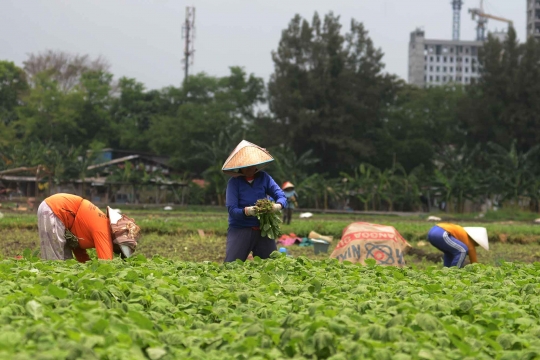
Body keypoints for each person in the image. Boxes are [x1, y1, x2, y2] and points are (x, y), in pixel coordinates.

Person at [222, 140, 287, 262]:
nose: (249, 168)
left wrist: (277, 206)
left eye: (251, 164)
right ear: (240, 166)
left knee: (271, 264)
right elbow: (232, 209)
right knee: (231, 265)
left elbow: (281, 196)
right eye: (245, 165)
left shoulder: (264, 177)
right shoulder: (234, 182)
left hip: (263, 229)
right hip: (240, 228)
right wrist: (247, 211)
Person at [37, 193, 141, 262]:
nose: (116, 251)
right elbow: (106, 265)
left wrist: (86, 265)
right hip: (55, 210)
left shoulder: (99, 223)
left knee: (64, 263)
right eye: (119, 249)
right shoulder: (103, 231)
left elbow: (77, 246)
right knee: (55, 262)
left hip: (53, 209)